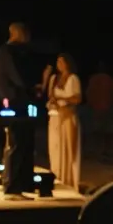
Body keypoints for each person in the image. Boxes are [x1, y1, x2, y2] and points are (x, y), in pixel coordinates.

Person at [0, 22, 38, 199]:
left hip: (20, 102)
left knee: (25, 143)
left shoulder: (13, 52)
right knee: (18, 143)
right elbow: (17, 76)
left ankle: (22, 184)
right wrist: (31, 86)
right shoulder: (8, 52)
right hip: (15, 103)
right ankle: (12, 186)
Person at [47, 53, 82, 188]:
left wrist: (64, 100)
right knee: (56, 149)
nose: (59, 64)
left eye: (62, 61)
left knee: (69, 149)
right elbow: (50, 96)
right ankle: (58, 176)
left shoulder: (73, 79)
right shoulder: (54, 79)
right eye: (58, 61)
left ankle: (70, 180)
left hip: (68, 117)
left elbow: (77, 99)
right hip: (56, 116)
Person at [85, 61, 113, 156]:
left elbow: (89, 92)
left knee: (98, 130)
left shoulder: (94, 79)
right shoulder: (109, 80)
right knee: (104, 130)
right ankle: (104, 149)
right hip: (106, 107)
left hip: (97, 107)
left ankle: (99, 149)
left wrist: (90, 103)